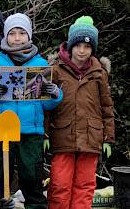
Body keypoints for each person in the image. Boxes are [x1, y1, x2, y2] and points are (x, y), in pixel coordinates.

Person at [0, 13, 61, 209]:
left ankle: (36, 206)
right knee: (1, 177)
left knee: (32, 176)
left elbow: (46, 105)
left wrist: (55, 94)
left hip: (32, 130)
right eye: (12, 33)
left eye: (22, 33)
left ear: (29, 36)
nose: (17, 38)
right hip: (3, 129)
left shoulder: (41, 64)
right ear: (5, 36)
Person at [47, 16, 115, 209]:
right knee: (60, 185)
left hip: (91, 138)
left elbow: (107, 108)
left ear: (92, 48)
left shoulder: (99, 73)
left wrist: (108, 138)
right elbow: (45, 106)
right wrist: (44, 134)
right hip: (62, 137)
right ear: (70, 46)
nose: (82, 51)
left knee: (85, 186)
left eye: (87, 46)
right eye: (77, 46)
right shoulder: (55, 70)